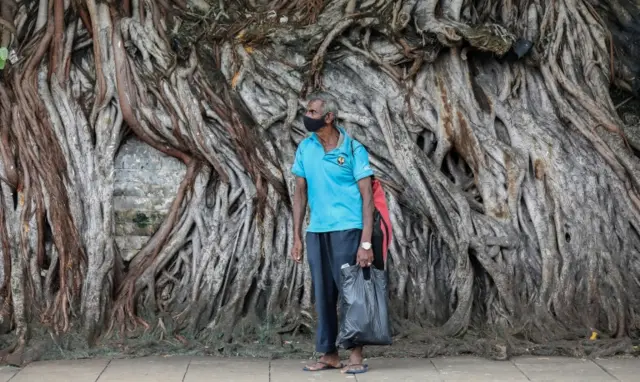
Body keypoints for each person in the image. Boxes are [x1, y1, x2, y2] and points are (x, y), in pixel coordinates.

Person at [290, 92, 375, 375]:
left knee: (352, 292)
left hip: (348, 230)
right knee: (323, 293)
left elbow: (368, 198)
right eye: (307, 111)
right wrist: (297, 235)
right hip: (317, 232)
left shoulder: (353, 149)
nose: (307, 116)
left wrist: (365, 242)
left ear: (329, 117)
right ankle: (328, 353)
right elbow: (300, 192)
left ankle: (355, 355)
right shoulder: (305, 148)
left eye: (312, 112)